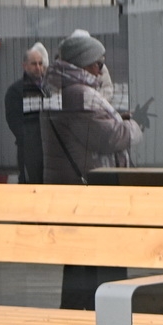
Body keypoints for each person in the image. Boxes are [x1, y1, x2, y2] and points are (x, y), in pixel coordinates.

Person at [41, 33, 141, 310]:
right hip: (91, 192)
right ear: (83, 63)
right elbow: (109, 138)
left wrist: (116, 118)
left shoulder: (60, 91)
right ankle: (107, 316)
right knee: (106, 262)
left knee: (78, 264)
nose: (101, 69)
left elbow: (86, 130)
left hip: (73, 191)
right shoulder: (79, 94)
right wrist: (134, 126)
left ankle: (77, 317)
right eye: (98, 63)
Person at [4, 42, 50, 184]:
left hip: (49, 149)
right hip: (29, 151)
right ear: (25, 66)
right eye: (34, 64)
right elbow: (14, 121)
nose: (38, 67)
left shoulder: (49, 88)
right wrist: (30, 139)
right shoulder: (16, 90)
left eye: (40, 63)